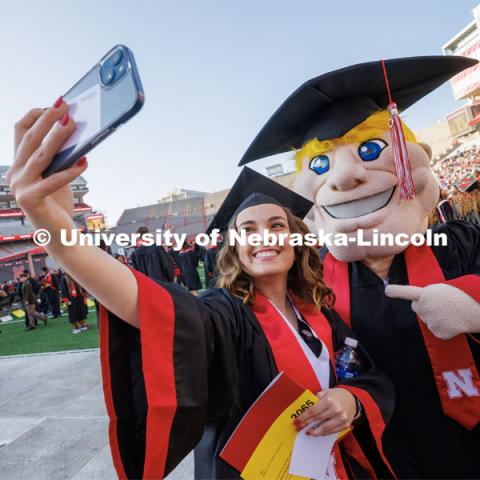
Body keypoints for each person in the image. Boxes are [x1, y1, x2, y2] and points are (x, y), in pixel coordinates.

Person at [7, 107, 394, 480]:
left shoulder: (319, 313)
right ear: (234, 247)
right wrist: (55, 228)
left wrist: (351, 401)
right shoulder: (225, 314)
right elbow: (150, 307)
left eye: (276, 226)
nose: (264, 238)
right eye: (248, 230)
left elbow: (366, 375)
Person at [239, 55, 480, 478]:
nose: (346, 178)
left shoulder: (457, 243)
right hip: (376, 452)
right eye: (321, 166)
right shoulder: (310, 281)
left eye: (370, 151)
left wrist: (473, 305)